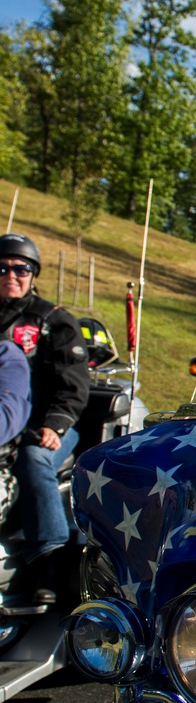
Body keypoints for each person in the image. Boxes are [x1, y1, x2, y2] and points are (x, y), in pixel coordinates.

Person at [0, 234, 90, 609]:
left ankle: (50, 560)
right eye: (2, 268)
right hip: (6, 427)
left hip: (46, 427)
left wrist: (55, 425)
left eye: (21, 269)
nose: (11, 275)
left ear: (33, 275)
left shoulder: (53, 321)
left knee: (33, 459)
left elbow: (74, 384)